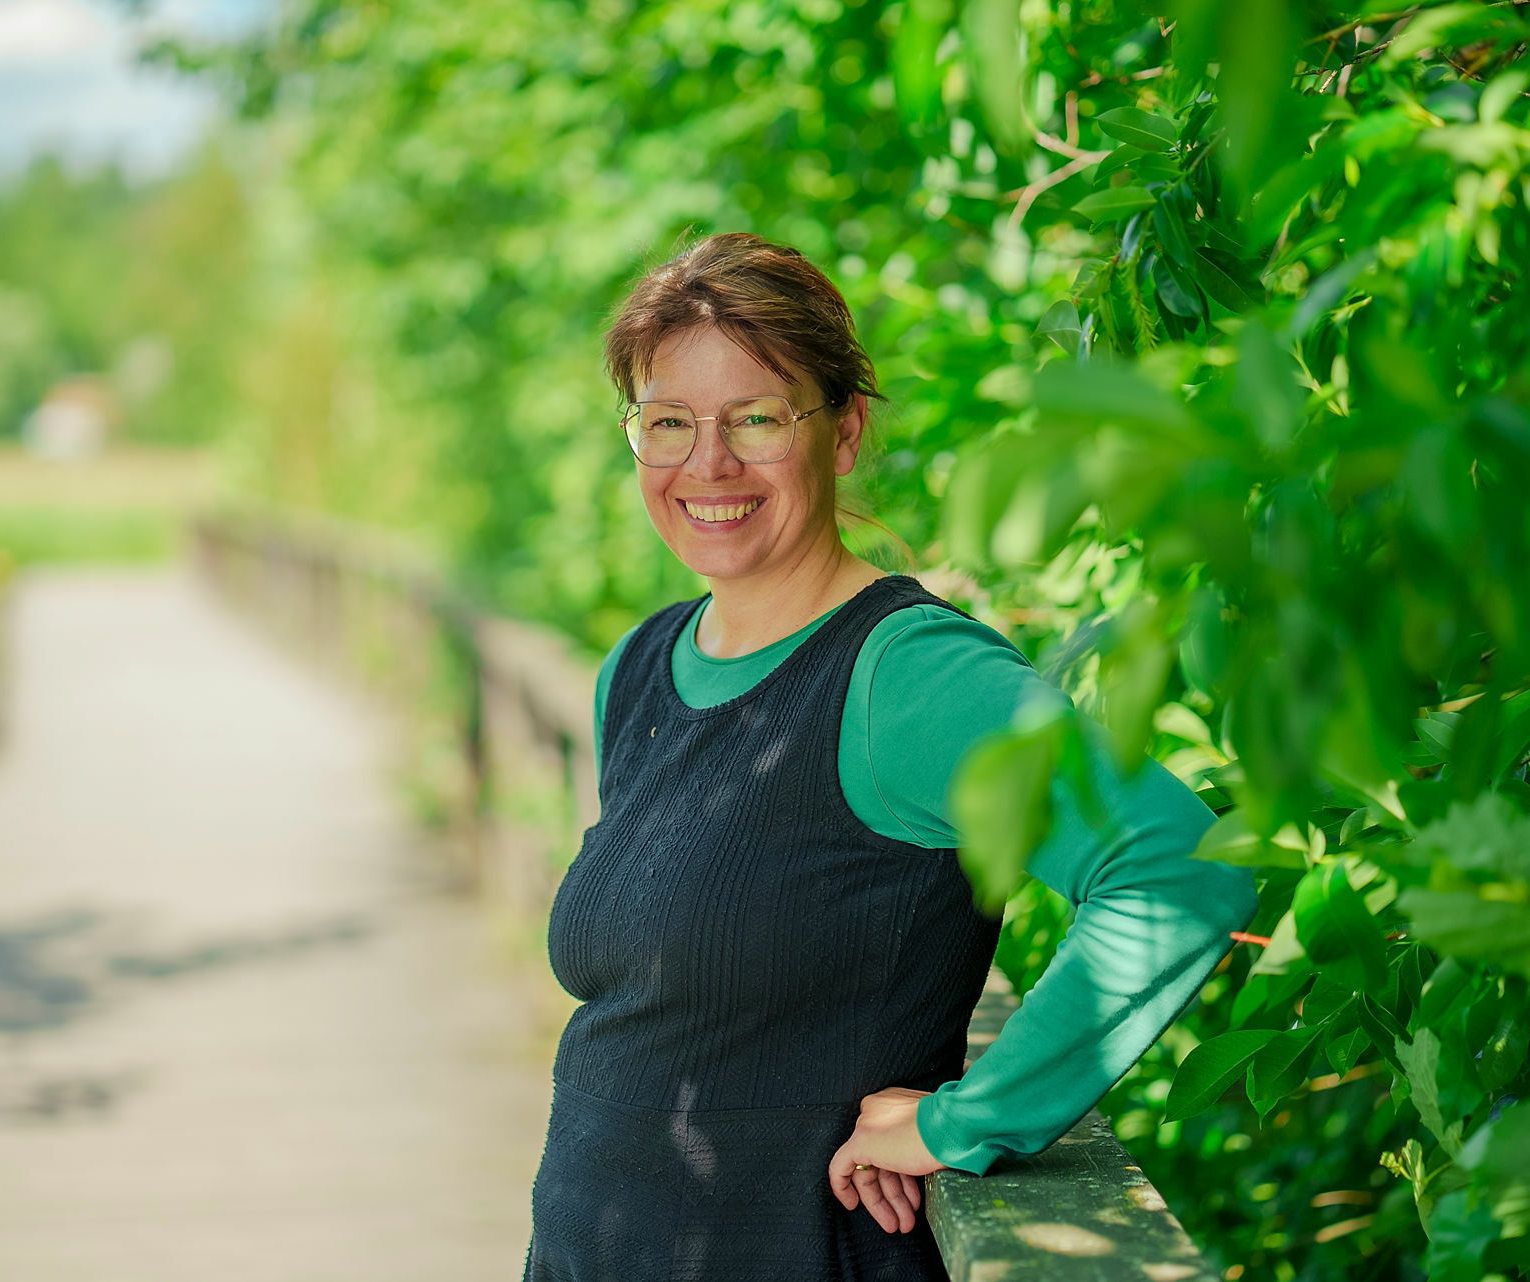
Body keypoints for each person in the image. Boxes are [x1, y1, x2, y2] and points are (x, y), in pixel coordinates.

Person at [521, 231, 1261, 1282]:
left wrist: (975, 1118)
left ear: (846, 429)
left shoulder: (903, 676)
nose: (709, 463)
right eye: (669, 423)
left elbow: (1180, 861)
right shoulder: (640, 670)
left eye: (758, 418)